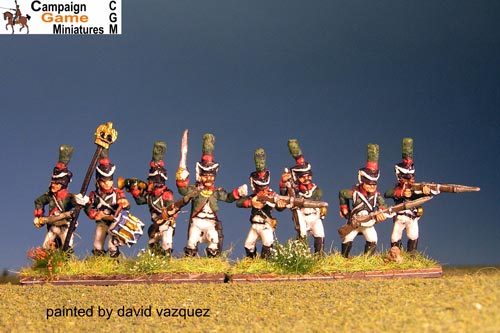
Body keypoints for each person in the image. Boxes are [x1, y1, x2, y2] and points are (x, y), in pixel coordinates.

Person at [176, 133, 247, 257]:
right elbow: (183, 191)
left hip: (211, 223)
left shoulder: (216, 192)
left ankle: (211, 265)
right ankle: (190, 263)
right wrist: (181, 180)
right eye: (206, 175)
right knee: (192, 242)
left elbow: (228, 198)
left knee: (214, 242)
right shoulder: (196, 190)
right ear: (200, 176)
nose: (209, 178)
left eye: (211, 176)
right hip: (197, 222)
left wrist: (238, 192)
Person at [121, 141, 177, 256]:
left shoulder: (167, 194)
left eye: (150, 182)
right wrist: (134, 191)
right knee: (152, 242)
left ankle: (167, 259)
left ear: (157, 183)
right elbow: (140, 201)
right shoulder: (149, 195)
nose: (148, 183)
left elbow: (174, 211)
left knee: (166, 243)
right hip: (155, 224)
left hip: (166, 224)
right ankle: (156, 259)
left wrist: (167, 214)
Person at [384, 138, 438, 255]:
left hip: (413, 217)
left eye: (411, 177)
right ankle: (395, 255)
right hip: (400, 217)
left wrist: (427, 191)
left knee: (413, 236)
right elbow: (387, 193)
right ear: (400, 177)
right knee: (395, 238)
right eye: (407, 177)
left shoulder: (415, 189)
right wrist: (401, 193)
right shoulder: (397, 188)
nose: (410, 179)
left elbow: (424, 194)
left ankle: (411, 255)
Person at [339, 143, 387, 257]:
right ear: (362, 181)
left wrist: (381, 212)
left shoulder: (377, 196)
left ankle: (367, 261)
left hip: (368, 223)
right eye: (369, 184)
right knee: (347, 238)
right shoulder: (354, 194)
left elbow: (383, 206)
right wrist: (344, 208)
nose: (372, 187)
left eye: (374, 184)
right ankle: (344, 259)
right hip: (354, 222)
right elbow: (342, 194)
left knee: (373, 239)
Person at [236, 148, 286, 259]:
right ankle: (251, 262)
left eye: (265, 188)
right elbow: (239, 203)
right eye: (260, 188)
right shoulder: (254, 197)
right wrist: (251, 203)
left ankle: (264, 264)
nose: (264, 191)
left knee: (267, 243)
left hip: (266, 225)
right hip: (254, 225)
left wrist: (281, 204)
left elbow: (279, 206)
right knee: (248, 245)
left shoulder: (271, 196)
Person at [280, 139, 327, 254]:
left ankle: (319, 259)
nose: (307, 179)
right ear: (297, 178)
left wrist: (322, 209)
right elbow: (283, 200)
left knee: (320, 235)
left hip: (314, 216)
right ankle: (301, 257)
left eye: (308, 176)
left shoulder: (316, 190)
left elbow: (318, 202)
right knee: (302, 236)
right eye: (303, 177)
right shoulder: (294, 190)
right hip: (302, 216)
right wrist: (284, 186)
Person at [84, 149, 130, 257]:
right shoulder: (94, 195)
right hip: (102, 223)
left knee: (112, 246)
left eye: (109, 180)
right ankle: (99, 263)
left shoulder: (118, 193)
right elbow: (88, 207)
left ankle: (114, 264)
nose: (106, 184)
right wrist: (94, 214)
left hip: (115, 223)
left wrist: (125, 203)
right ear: (98, 181)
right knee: (97, 245)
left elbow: (126, 206)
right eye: (103, 181)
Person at [33, 145, 80, 251]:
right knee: (46, 248)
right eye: (53, 182)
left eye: (57, 183)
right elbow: (39, 201)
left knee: (67, 249)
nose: (53, 185)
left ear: (63, 184)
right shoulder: (49, 196)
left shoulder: (69, 198)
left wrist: (83, 201)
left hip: (64, 227)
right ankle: (44, 263)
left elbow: (81, 204)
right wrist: (38, 216)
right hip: (52, 226)